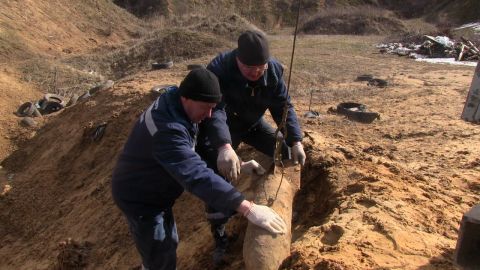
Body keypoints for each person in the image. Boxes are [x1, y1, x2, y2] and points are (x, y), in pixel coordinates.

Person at [111, 68, 287, 270]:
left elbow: (192, 149)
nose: (210, 114)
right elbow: (196, 175)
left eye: (214, 107)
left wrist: (238, 162)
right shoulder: (167, 129)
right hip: (141, 198)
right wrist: (248, 208)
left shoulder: (176, 102)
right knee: (160, 256)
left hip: (156, 189)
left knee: (167, 244)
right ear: (187, 98)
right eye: (206, 107)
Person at [196, 30, 306, 263]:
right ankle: (221, 237)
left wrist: (296, 139)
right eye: (250, 69)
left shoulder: (274, 70)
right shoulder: (219, 70)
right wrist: (225, 147)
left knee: (286, 154)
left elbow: (283, 106)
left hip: (254, 124)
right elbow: (216, 112)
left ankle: (289, 202)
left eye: (261, 68)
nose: (256, 73)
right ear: (238, 59)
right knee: (218, 175)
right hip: (224, 127)